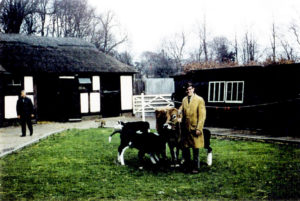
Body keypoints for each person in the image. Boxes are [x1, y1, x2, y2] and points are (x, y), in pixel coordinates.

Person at [179, 82, 206, 173]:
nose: (188, 91)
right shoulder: (184, 100)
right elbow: (182, 112)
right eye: (187, 90)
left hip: (195, 128)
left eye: (190, 89)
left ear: (193, 89)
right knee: (186, 148)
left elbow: (202, 116)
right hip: (185, 128)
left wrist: (199, 128)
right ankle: (187, 166)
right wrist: (179, 118)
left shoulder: (199, 100)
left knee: (195, 149)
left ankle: (196, 167)